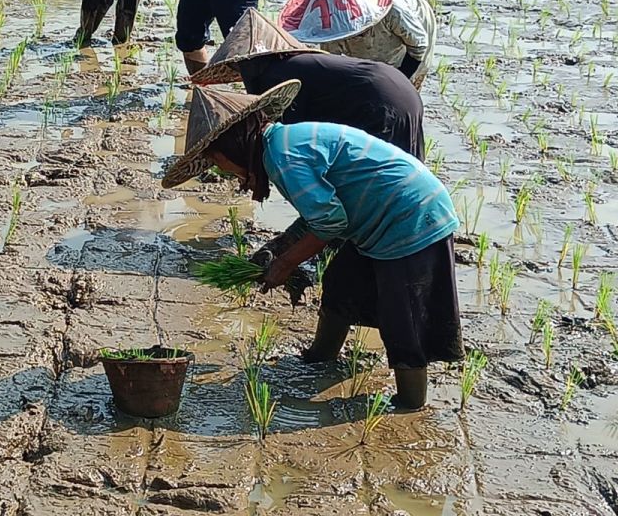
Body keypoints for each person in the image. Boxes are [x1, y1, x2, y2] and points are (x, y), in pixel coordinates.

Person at [162, 83, 463, 409]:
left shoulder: (281, 157)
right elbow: (320, 213)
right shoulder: (281, 143)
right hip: (384, 214)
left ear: (234, 147)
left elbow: (330, 223)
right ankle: (320, 358)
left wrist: (286, 264)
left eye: (223, 164)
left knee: (403, 317)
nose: (231, 175)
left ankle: (410, 404)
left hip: (410, 217)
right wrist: (278, 248)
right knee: (341, 283)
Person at [190, 9, 425, 160]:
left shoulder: (276, 78)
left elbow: (297, 137)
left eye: (239, 68)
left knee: (378, 175)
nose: (241, 75)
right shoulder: (292, 64)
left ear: (248, 63)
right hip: (399, 86)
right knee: (408, 168)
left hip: (380, 104)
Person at [280, 0, 437, 89]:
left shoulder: (394, 12)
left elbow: (418, 47)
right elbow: (333, 61)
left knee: (404, 89)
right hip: (372, 45)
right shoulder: (332, 27)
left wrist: (399, 81)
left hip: (416, 29)